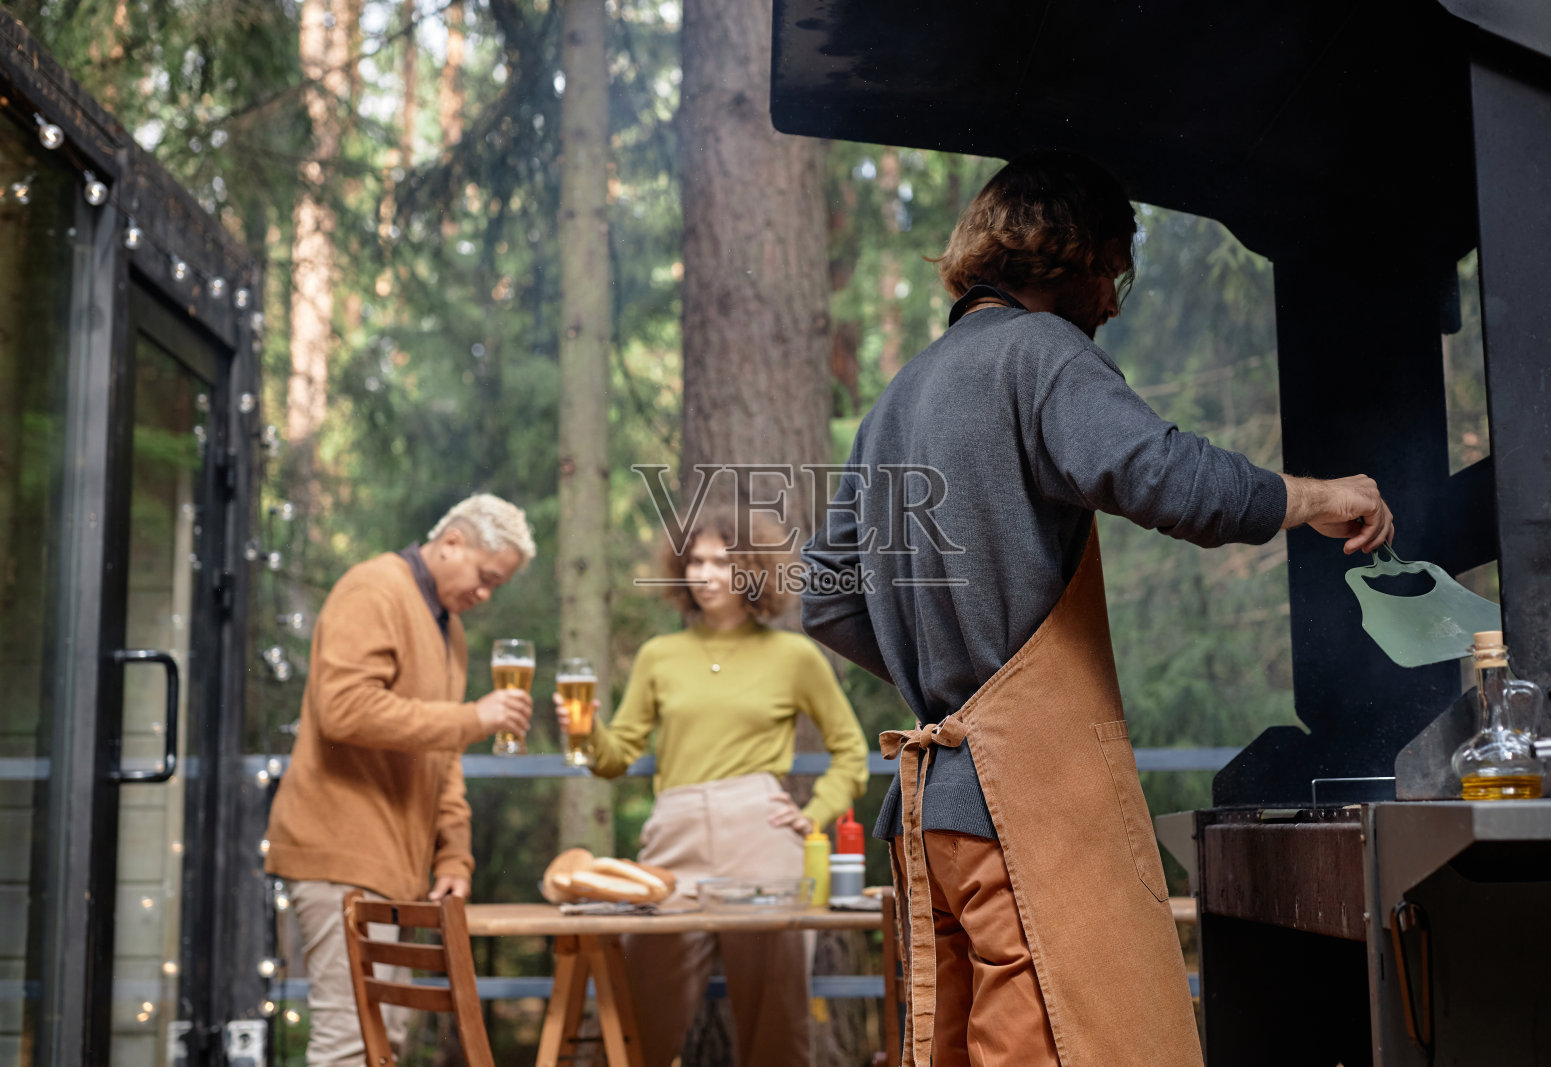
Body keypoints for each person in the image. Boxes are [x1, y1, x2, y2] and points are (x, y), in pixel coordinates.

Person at [800, 152, 1395, 1067]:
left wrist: (953, 677)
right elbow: (1162, 473)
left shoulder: (896, 399)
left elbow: (825, 596)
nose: (1112, 302)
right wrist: (1313, 496)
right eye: (1110, 270)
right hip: (1020, 808)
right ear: (1063, 253)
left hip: (936, 821)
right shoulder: (1039, 352)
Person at [556, 509, 870, 1067]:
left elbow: (851, 751)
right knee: (640, 1017)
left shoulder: (795, 656)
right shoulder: (659, 656)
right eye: (695, 561)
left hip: (762, 838)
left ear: (752, 572)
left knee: (777, 1024)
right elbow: (615, 757)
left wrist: (814, 812)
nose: (705, 574)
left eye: (723, 563)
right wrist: (584, 731)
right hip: (674, 838)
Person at [264, 494, 537, 1067]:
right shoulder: (374, 589)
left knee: (383, 1046)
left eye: (497, 586)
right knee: (350, 1048)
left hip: (396, 871)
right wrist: (473, 718)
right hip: (340, 854)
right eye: (486, 577)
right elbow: (343, 709)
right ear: (452, 543)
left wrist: (454, 858)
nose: (485, 595)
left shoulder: (449, 630)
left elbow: (443, 753)